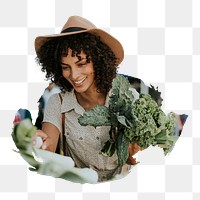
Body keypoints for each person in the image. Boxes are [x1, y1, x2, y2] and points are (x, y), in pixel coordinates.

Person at [34, 16, 142, 182]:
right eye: (66, 67)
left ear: (98, 61)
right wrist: (38, 143)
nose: (74, 75)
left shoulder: (127, 98)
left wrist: (133, 152)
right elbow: (47, 147)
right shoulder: (58, 103)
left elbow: (138, 161)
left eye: (81, 64)